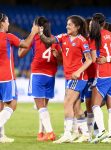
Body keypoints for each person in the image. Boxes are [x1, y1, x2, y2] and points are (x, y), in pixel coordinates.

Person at [40, 15, 92, 143]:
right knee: (76, 107)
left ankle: (68, 133)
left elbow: (90, 59)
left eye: (70, 24)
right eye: (67, 24)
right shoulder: (63, 37)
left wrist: (78, 71)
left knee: (67, 103)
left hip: (78, 77)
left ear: (77, 27)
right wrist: (41, 33)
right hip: (69, 76)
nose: (67, 26)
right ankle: (85, 134)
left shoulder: (82, 40)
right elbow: (49, 41)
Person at [18, 16, 61, 142]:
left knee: (40, 107)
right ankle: (40, 133)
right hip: (51, 75)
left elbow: (20, 54)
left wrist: (31, 33)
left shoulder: (35, 38)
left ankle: (50, 132)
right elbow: (60, 61)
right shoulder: (54, 39)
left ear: (37, 27)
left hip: (37, 74)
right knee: (43, 107)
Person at [0, 12, 38, 143]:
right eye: (7, 21)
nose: (9, 24)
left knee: (0, 107)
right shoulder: (7, 37)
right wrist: (33, 33)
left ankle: (1, 136)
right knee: (12, 105)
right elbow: (25, 45)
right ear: (2, 23)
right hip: (6, 76)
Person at [88, 13, 111, 143]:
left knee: (95, 105)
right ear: (104, 23)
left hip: (104, 73)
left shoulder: (95, 37)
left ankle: (101, 131)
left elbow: (92, 60)